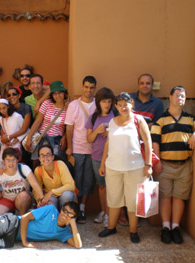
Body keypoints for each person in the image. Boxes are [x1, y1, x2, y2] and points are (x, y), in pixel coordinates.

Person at [151, 86, 195, 244]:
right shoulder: (161, 119)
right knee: (165, 197)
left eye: (183, 96)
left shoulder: (190, 119)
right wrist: (156, 162)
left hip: (184, 165)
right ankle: (165, 228)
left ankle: (175, 227)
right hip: (165, 165)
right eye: (177, 96)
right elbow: (155, 142)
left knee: (179, 197)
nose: (180, 99)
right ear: (170, 98)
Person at [98, 92, 152, 243]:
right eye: (120, 105)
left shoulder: (138, 120)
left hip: (135, 168)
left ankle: (133, 231)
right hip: (113, 167)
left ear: (131, 104)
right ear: (116, 106)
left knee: (133, 201)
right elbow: (108, 143)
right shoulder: (113, 121)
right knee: (114, 199)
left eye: (125, 104)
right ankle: (111, 227)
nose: (123, 107)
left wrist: (148, 165)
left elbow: (148, 142)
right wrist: (103, 163)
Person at [65, 76, 97, 224]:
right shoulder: (73, 105)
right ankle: (75, 208)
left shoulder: (99, 104)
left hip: (94, 149)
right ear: (82, 87)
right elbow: (69, 128)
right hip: (77, 148)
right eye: (86, 87)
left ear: (94, 88)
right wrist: (70, 147)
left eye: (91, 87)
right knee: (76, 179)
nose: (88, 90)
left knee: (89, 180)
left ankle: (82, 207)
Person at [85, 87, 116, 227]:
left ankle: (111, 214)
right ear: (98, 102)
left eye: (109, 101)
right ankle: (103, 211)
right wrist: (97, 131)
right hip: (97, 156)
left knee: (112, 187)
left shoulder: (116, 115)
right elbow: (89, 139)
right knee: (102, 186)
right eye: (104, 101)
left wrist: (110, 132)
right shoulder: (93, 117)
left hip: (114, 157)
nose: (107, 104)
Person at [24, 81, 68, 166]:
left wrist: (65, 136)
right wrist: (29, 137)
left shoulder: (69, 107)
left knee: (55, 163)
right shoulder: (47, 103)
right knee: (37, 163)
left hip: (56, 140)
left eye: (60, 92)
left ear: (64, 93)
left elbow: (69, 126)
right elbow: (38, 121)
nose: (58, 96)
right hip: (42, 138)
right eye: (54, 93)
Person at [33, 144, 77, 209]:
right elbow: (36, 189)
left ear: (53, 157)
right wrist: (40, 200)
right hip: (51, 197)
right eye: (42, 155)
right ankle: (55, 218)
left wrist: (52, 192)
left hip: (63, 195)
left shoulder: (60, 164)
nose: (45, 158)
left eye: (48, 155)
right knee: (48, 202)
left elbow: (71, 186)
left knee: (67, 195)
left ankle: (65, 216)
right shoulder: (38, 170)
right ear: (39, 158)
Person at [0, 98, 28, 169]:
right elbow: (3, 130)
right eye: (0, 109)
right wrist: (2, 138)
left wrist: (18, 139)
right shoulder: (1, 118)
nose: (2, 111)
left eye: (4, 108)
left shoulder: (17, 116)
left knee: (14, 165)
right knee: (2, 165)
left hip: (15, 145)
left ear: (8, 106)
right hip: (5, 145)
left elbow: (25, 130)